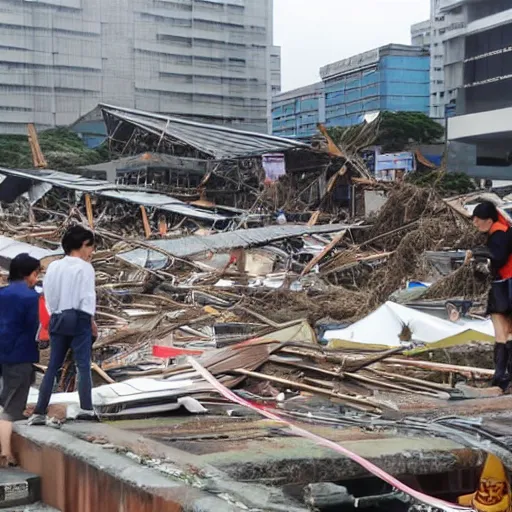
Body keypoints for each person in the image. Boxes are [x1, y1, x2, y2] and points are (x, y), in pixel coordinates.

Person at [29, 225, 98, 425]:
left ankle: (39, 412)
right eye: (91, 247)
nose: (91, 252)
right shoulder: (85, 268)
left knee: (52, 367)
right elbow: (87, 297)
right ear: (83, 245)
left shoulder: (54, 266)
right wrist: (91, 321)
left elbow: (48, 295)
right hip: (79, 317)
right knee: (83, 365)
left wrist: (54, 316)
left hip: (57, 318)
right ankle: (86, 409)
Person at [0, 254, 41, 466]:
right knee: (11, 407)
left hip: (3, 353)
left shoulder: (2, 293)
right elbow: (37, 328)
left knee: (7, 398)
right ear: (28, 274)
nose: (36, 279)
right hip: (20, 354)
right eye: (36, 274)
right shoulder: (30, 298)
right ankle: (6, 453)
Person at [472, 201, 512, 390]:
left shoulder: (498, 235)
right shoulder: (505, 230)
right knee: (507, 332)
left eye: (477, 219)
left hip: (504, 284)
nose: (475, 223)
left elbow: (497, 257)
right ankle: (506, 377)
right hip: (506, 284)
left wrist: (476, 253)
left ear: (488, 220)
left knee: (501, 332)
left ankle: (500, 378)